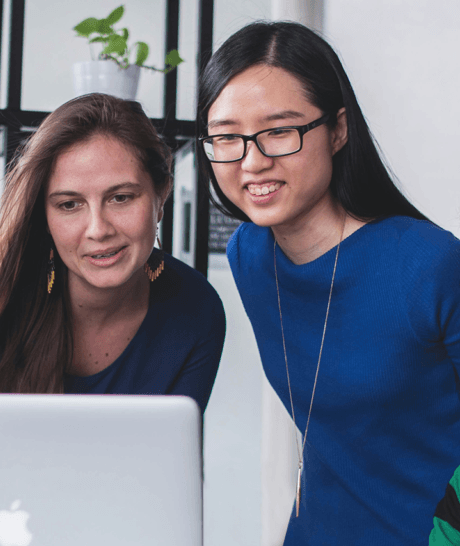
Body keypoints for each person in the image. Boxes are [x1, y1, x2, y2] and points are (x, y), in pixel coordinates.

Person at [197, 20, 460, 544]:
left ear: (338, 129)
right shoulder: (250, 255)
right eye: (227, 137)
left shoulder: (428, 264)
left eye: (279, 130)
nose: (252, 160)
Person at [0, 93, 225, 409]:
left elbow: (172, 454)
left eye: (120, 198)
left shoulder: (196, 310)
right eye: (69, 204)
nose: (98, 229)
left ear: (161, 195)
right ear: (43, 216)